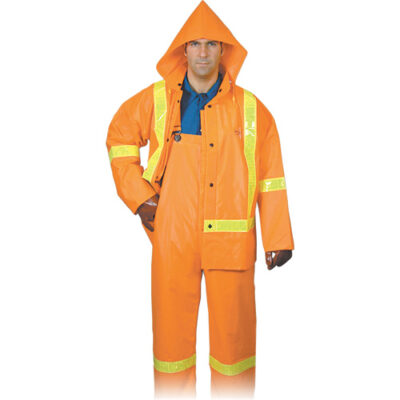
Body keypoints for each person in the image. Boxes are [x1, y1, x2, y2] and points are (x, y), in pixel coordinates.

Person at [106, 1, 294, 397]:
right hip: (173, 235)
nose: (203, 52)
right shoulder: (157, 100)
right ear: (184, 50)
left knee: (234, 346)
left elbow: (271, 177)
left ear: (224, 50)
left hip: (231, 238)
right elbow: (120, 138)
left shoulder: (252, 110)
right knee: (170, 344)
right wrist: (139, 197)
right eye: (195, 44)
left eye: (211, 44)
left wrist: (278, 238)